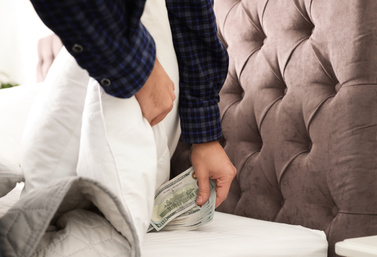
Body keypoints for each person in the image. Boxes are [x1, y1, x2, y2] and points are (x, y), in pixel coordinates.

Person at [30, 0, 236, 208]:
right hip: (129, 61)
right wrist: (141, 67)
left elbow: (190, 14)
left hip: (142, 73)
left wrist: (206, 139)